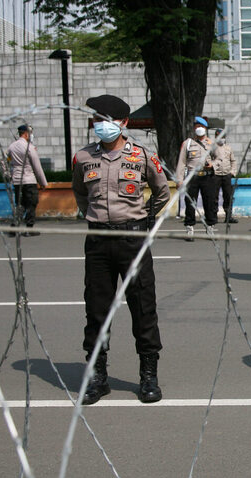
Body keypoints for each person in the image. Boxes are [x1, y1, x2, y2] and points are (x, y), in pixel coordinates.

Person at [72, 94, 170, 405]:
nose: (101, 125)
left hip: (132, 240)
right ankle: (97, 377)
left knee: (143, 308)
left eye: (107, 120)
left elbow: (162, 192)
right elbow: (80, 193)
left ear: (123, 122)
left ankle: (148, 376)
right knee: (97, 310)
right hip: (98, 242)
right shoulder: (83, 157)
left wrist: (145, 221)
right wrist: (94, 216)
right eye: (97, 120)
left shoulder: (142, 156)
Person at [175, 117, 218, 241]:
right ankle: (189, 228)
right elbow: (182, 162)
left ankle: (210, 227)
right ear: (194, 128)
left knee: (209, 202)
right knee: (190, 203)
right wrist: (179, 180)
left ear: (206, 128)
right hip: (192, 177)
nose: (199, 129)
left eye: (202, 126)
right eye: (197, 126)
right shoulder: (187, 143)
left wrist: (213, 165)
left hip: (207, 176)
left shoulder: (212, 143)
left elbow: (219, 159)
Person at [6, 124, 48, 236]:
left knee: (20, 205)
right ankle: (29, 229)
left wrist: (10, 175)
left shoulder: (11, 147)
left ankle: (14, 228)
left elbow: (6, 161)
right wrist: (42, 182)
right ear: (26, 134)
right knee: (31, 204)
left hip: (17, 181)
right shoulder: (29, 147)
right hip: (29, 180)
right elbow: (37, 166)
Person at [211, 127, 238, 224]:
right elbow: (208, 160)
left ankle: (228, 216)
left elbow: (233, 161)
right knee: (214, 197)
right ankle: (213, 217)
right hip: (216, 175)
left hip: (227, 175)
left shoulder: (228, 148)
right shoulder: (212, 147)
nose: (221, 138)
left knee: (228, 196)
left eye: (223, 136)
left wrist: (232, 172)